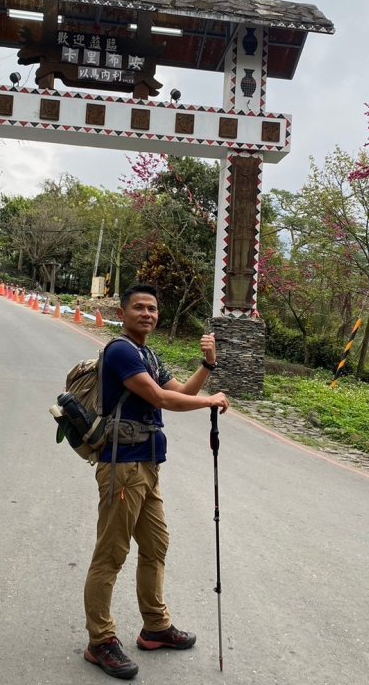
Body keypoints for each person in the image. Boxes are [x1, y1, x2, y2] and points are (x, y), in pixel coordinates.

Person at [83, 284, 230, 680]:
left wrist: (208, 365)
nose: (147, 314)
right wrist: (211, 400)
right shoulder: (121, 351)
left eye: (152, 308)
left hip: (147, 467)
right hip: (121, 468)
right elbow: (160, 399)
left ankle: (155, 627)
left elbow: (180, 392)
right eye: (139, 307)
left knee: (155, 546)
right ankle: (100, 640)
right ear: (123, 312)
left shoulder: (148, 354)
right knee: (111, 555)